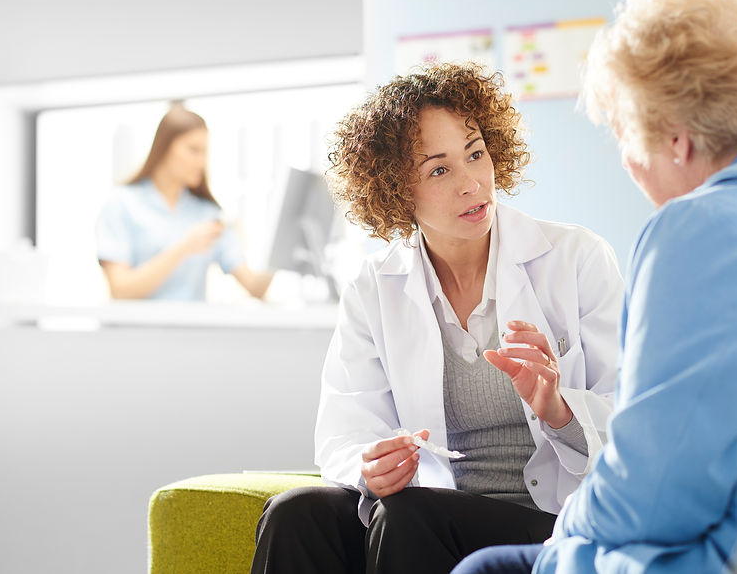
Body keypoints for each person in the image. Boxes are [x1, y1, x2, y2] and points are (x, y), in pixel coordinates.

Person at [452, 0, 737, 574]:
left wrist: (566, 534)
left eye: (625, 136)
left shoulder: (703, 231)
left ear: (677, 140)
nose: (629, 162)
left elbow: (656, 491)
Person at [250, 62, 623, 574]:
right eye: (440, 170)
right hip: (420, 514)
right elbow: (345, 427)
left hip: (550, 520)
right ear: (395, 190)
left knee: (410, 514)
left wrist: (558, 408)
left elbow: (631, 421)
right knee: (297, 514)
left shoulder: (576, 258)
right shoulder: (374, 287)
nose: (472, 183)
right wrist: (371, 466)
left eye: (476, 154)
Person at [95, 103, 272, 301]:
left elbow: (255, 287)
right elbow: (120, 290)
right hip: (137, 331)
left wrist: (281, 247)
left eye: (204, 152)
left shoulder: (207, 214)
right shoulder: (123, 204)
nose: (201, 162)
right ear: (164, 149)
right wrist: (185, 247)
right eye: (193, 150)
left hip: (190, 330)